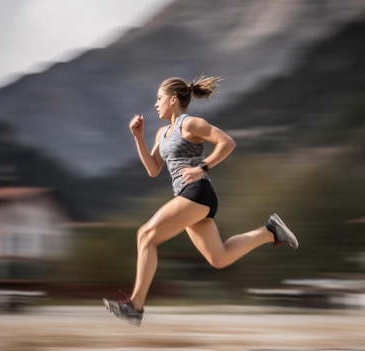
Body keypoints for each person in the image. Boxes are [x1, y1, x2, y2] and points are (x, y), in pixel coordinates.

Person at [103, 75, 298, 326]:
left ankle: (135, 306)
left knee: (146, 235)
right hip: (188, 198)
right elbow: (153, 169)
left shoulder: (190, 124)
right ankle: (270, 231)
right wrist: (138, 137)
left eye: (159, 98)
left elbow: (227, 142)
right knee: (219, 258)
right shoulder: (162, 133)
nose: (155, 104)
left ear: (173, 100)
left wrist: (202, 167)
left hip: (196, 192)